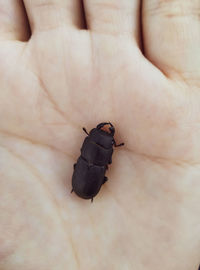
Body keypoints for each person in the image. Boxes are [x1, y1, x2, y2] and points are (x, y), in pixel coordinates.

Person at [0, 1, 199, 269]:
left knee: (92, 168)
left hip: (87, 180)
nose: (102, 135)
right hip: (88, 181)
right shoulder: (95, 161)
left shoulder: (90, 159)